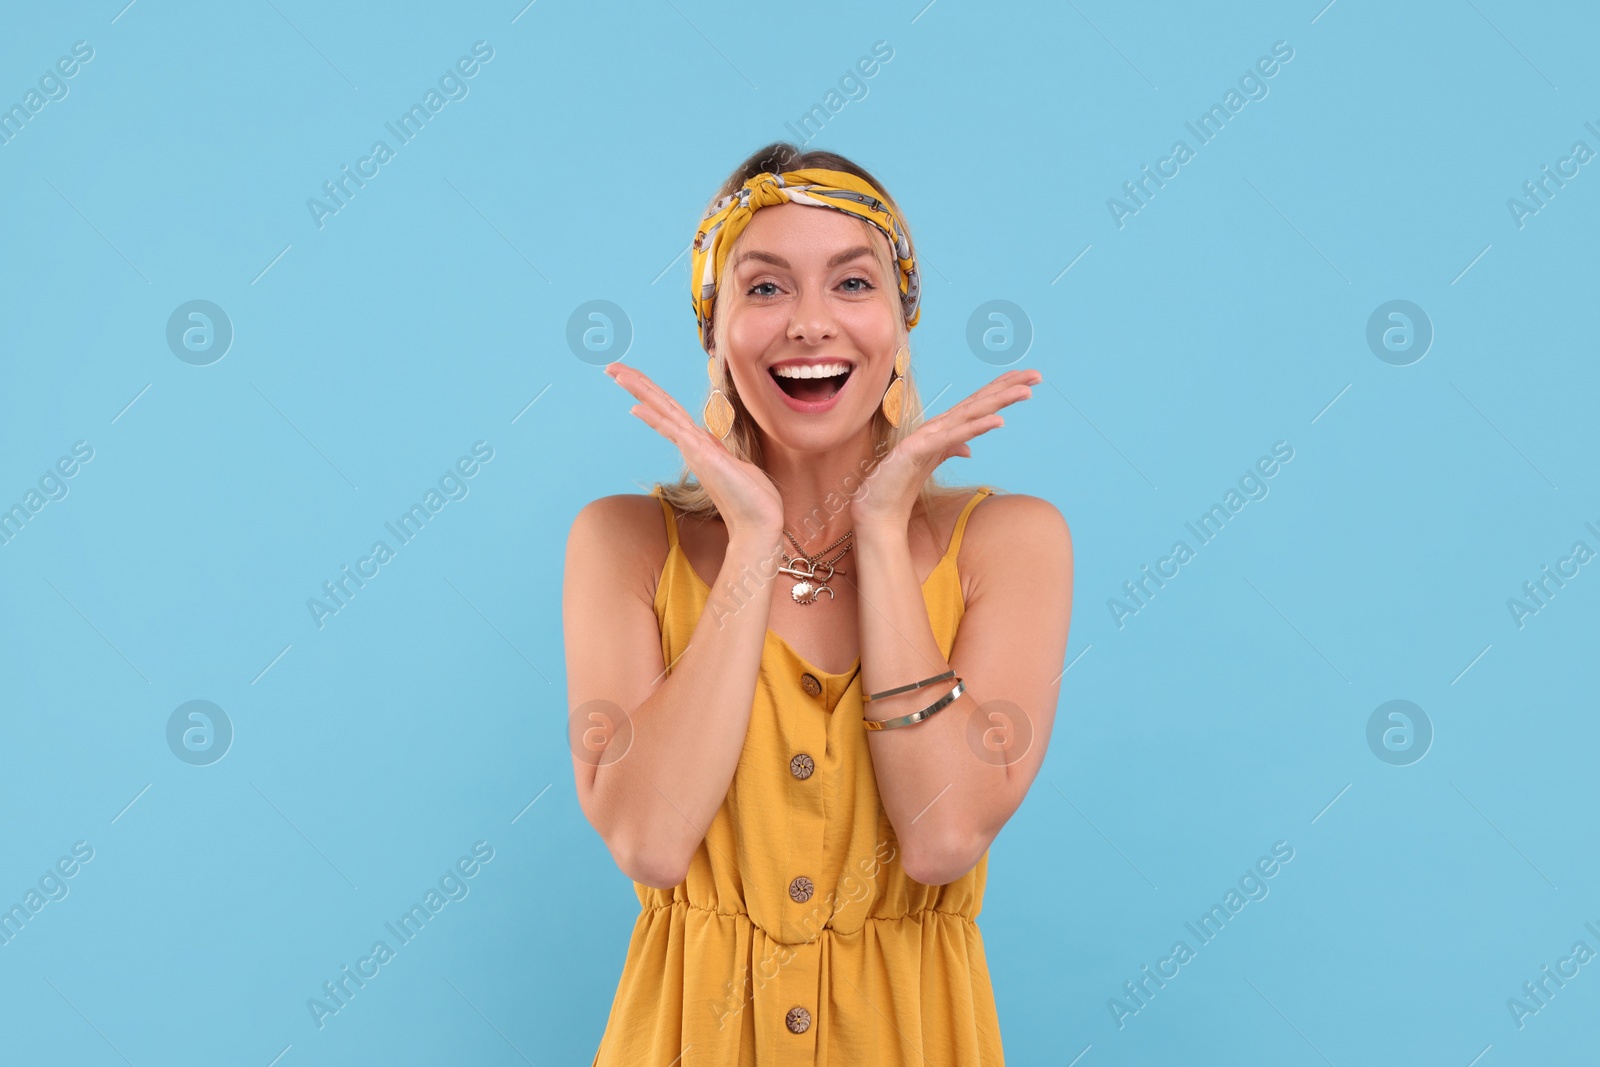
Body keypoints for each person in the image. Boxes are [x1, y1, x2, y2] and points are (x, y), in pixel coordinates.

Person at [563, 141, 1073, 1065]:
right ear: (713, 328)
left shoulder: (1012, 543)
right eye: (763, 289)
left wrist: (880, 529)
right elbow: (648, 839)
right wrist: (753, 541)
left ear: (900, 319)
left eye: (851, 283)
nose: (808, 323)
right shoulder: (622, 543)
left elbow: (942, 837)